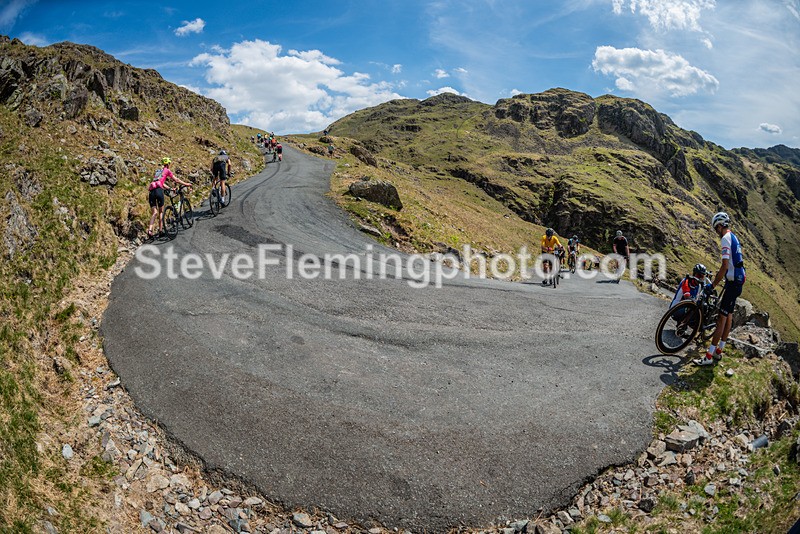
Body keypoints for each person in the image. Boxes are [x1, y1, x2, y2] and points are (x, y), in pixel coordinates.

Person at [694, 212, 746, 366]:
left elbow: (724, 266)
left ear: (720, 225)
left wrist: (712, 285)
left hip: (733, 281)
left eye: (716, 227)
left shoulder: (725, 238)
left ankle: (709, 356)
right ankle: (718, 351)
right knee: (728, 315)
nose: (716, 231)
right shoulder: (734, 237)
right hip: (738, 279)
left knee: (721, 319)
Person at [147, 157, 192, 237]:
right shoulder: (167, 170)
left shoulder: (158, 172)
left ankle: (150, 230)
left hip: (151, 192)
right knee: (161, 211)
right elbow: (176, 180)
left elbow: (160, 183)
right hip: (159, 191)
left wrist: (170, 188)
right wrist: (186, 184)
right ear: (167, 164)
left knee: (154, 212)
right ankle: (160, 231)